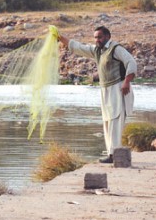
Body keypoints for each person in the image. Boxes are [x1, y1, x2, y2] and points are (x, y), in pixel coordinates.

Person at [57, 26, 137, 163]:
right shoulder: (97, 50)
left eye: (99, 37)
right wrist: (59, 38)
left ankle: (115, 155)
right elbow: (78, 47)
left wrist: (127, 82)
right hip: (105, 90)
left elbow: (131, 62)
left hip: (118, 89)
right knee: (107, 122)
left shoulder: (116, 49)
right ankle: (111, 154)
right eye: (95, 37)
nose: (97, 40)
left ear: (107, 36)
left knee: (115, 122)